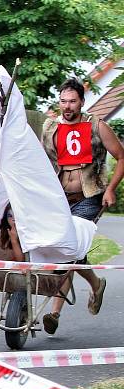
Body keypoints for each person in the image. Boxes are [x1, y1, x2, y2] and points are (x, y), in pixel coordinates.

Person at [40, 78, 124, 334]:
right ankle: (96, 283)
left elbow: (121, 156)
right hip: (59, 198)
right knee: (66, 250)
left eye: (72, 101)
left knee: (71, 249)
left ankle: (54, 312)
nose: (67, 106)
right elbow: (40, 163)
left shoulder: (97, 126)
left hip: (89, 197)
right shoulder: (50, 127)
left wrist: (110, 189)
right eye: (63, 101)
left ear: (81, 103)